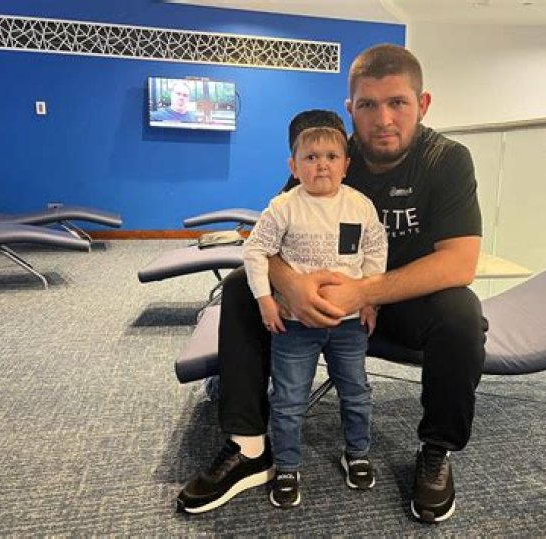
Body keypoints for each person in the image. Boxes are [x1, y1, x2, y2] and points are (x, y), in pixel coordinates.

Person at [177, 43, 485, 524]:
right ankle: (249, 446)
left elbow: (459, 264)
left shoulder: (446, 160)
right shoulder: (328, 151)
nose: (383, 119)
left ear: (422, 105)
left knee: (462, 312)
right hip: (312, 305)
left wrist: (364, 293)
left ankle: (436, 450)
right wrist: (291, 286)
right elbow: (268, 242)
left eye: (397, 103)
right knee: (240, 287)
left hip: (393, 305)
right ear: (350, 109)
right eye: (368, 105)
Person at [243, 113, 387, 508]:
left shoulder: (360, 205)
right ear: (293, 166)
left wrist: (370, 299)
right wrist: (265, 299)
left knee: (356, 393)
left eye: (331, 156)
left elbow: (375, 252)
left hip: (348, 325)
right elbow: (256, 251)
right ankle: (287, 466)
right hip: (294, 326)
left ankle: (357, 453)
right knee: (289, 400)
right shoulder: (283, 207)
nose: (321, 164)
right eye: (310, 157)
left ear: (346, 165)